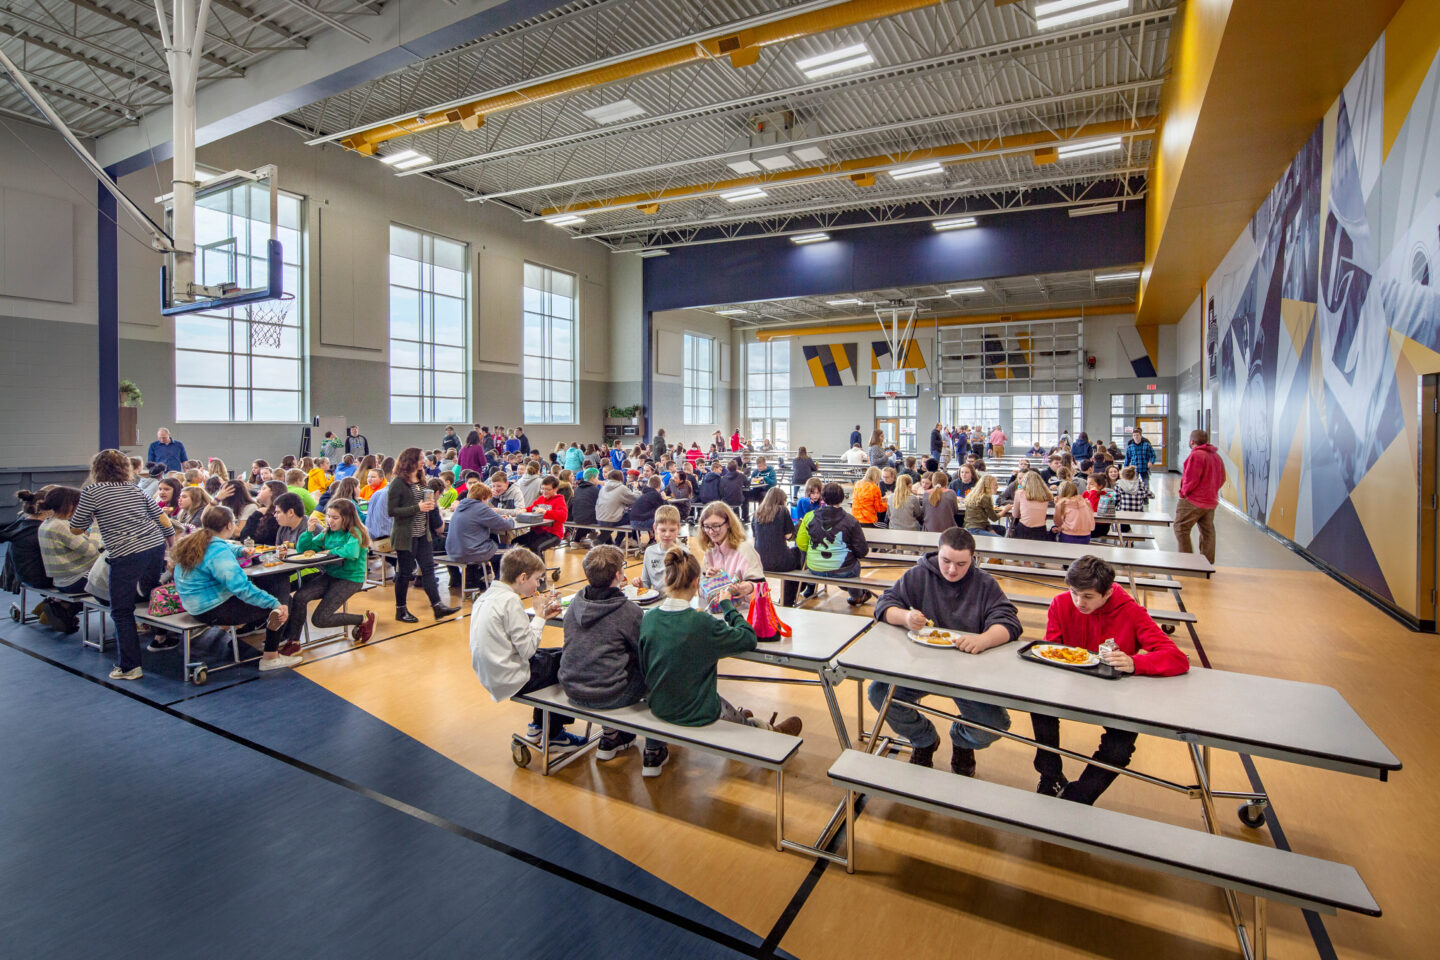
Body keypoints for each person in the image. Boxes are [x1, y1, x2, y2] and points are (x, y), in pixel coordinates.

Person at [1032, 556, 1190, 802]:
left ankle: (1078, 796)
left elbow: (1177, 658)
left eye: (1088, 596)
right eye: (1074, 592)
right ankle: (1050, 775)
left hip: (1115, 693)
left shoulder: (1131, 613)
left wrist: (1136, 662)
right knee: (1038, 707)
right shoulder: (1061, 604)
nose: (1078, 602)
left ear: (1107, 593)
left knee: (1120, 748)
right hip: (1073, 684)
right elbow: (1052, 646)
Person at [871, 527, 1021, 775]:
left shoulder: (984, 583)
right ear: (937, 553)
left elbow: (1009, 622)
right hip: (921, 666)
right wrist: (906, 617)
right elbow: (885, 604)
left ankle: (962, 741)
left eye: (961, 564)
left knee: (994, 724)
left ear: (973, 558)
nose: (952, 570)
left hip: (967, 673)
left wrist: (984, 639)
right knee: (878, 693)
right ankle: (924, 738)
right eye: (946, 561)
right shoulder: (919, 575)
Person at [639, 548, 802, 776]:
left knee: (690, 687)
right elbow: (748, 638)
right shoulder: (702, 623)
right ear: (697, 582)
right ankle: (766, 730)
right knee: (714, 702)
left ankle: (743, 721)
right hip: (697, 712)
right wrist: (727, 606)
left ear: (666, 579)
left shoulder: (649, 618)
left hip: (658, 705)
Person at [68, 451, 177, 678]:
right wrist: (171, 545)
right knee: (150, 592)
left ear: (96, 469)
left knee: (121, 610)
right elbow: (163, 519)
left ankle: (129, 666)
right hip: (154, 545)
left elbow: (76, 527)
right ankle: (162, 635)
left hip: (126, 552)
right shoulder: (135, 489)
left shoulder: (92, 492)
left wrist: (90, 521)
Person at [469, 547, 585, 752]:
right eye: (538, 579)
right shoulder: (511, 601)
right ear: (523, 577)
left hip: (492, 671)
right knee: (567, 661)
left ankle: (538, 727)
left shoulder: (487, 597)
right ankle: (554, 734)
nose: (539, 584)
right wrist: (539, 616)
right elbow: (528, 651)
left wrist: (542, 616)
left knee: (555, 654)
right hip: (510, 676)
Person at [556, 543, 658, 762]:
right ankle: (654, 746)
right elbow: (645, 650)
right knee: (656, 667)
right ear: (618, 575)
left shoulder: (575, 603)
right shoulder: (628, 611)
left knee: (601, 660)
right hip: (611, 695)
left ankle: (610, 736)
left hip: (572, 688)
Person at [172, 505, 299, 672]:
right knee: (281, 588)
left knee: (280, 596)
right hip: (214, 610)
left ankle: (267, 626)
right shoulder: (218, 551)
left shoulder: (195, 541)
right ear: (229, 525)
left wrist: (241, 550)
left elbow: (227, 548)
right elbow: (241, 588)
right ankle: (270, 656)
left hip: (194, 605)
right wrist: (273, 603)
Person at [287, 498, 375, 648]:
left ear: (346, 518)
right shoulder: (327, 532)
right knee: (300, 597)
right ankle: (293, 641)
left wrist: (329, 551)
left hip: (350, 578)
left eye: (335, 518)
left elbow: (351, 552)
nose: (330, 521)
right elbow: (304, 549)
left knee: (320, 619)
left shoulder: (355, 532)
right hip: (330, 575)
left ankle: (364, 619)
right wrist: (308, 532)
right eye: (328, 516)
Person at [388, 447, 460, 623]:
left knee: (428, 569)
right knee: (405, 573)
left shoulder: (422, 481)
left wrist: (431, 506)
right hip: (406, 536)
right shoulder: (398, 483)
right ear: (410, 461)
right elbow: (391, 511)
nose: (423, 461)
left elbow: (425, 503)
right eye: (420, 459)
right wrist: (417, 508)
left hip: (422, 534)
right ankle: (401, 609)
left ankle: (437, 606)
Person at [797, 481, 870, 605]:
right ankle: (856, 596)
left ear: (823, 497)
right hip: (844, 570)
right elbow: (862, 550)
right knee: (855, 564)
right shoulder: (851, 520)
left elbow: (801, 543)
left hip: (815, 568)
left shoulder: (809, 517)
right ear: (842, 498)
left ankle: (811, 586)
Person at [693, 502, 764, 614]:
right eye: (706, 526)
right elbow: (701, 592)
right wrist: (708, 580)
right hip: (718, 614)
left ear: (728, 524)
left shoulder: (744, 550)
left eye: (716, 526)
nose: (711, 531)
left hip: (743, 613)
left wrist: (748, 587)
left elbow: (762, 588)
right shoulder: (710, 551)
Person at [37, 486, 103, 599]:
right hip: (75, 581)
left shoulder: (47, 524)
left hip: (62, 581)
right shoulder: (61, 526)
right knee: (120, 576)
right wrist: (97, 524)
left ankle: (57, 609)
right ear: (70, 505)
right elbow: (91, 550)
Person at [446, 481, 515, 588]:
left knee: (492, 542)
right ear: (483, 497)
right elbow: (506, 525)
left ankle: (485, 580)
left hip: (454, 551)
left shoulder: (460, 506)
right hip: (472, 552)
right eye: (487, 499)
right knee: (509, 553)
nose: (487, 502)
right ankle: (499, 586)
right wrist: (510, 519)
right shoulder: (480, 508)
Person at [1175, 429, 1225, 562]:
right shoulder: (1216, 457)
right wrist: (1211, 490)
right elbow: (1222, 478)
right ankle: (1206, 562)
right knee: (1207, 531)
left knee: (1181, 528)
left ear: (1192, 441)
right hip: (1210, 501)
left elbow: (1191, 479)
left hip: (1193, 500)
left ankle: (1187, 562)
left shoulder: (1196, 456)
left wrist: (1183, 493)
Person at [751, 486, 802, 607]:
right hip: (781, 562)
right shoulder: (783, 511)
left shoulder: (756, 513)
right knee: (799, 554)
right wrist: (799, 524)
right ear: (781, 500)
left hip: (759, 562)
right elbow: (789, 536)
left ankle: (761, 599)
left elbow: (755, 538)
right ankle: (788, 599)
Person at [634, 504, 683, 593]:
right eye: (663, 530)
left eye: (672, 530)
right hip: (656, 601)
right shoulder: (649, 552)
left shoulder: (684, 553)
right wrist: (640, 585)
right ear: (655, 528)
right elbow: (646, 584)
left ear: (679, 528)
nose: (667, 534)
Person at [516, 475, 568, 555]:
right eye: (542, 488)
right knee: (515, 543)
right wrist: (525, 509)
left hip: (553, 534)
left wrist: (546, 512)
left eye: (548, 489)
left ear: (555, 489)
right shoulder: (541, 499)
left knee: (536, 547)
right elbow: (533, 508)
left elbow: (563, 516)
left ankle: (540, 567)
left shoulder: (559, 500)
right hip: (537, 532)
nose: (544, 491)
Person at [1007, 471, 1053, 540]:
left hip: (1024, 529)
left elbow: (1015, 515)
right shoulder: (1046, 495)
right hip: (1040, 530)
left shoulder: (1020, 493)